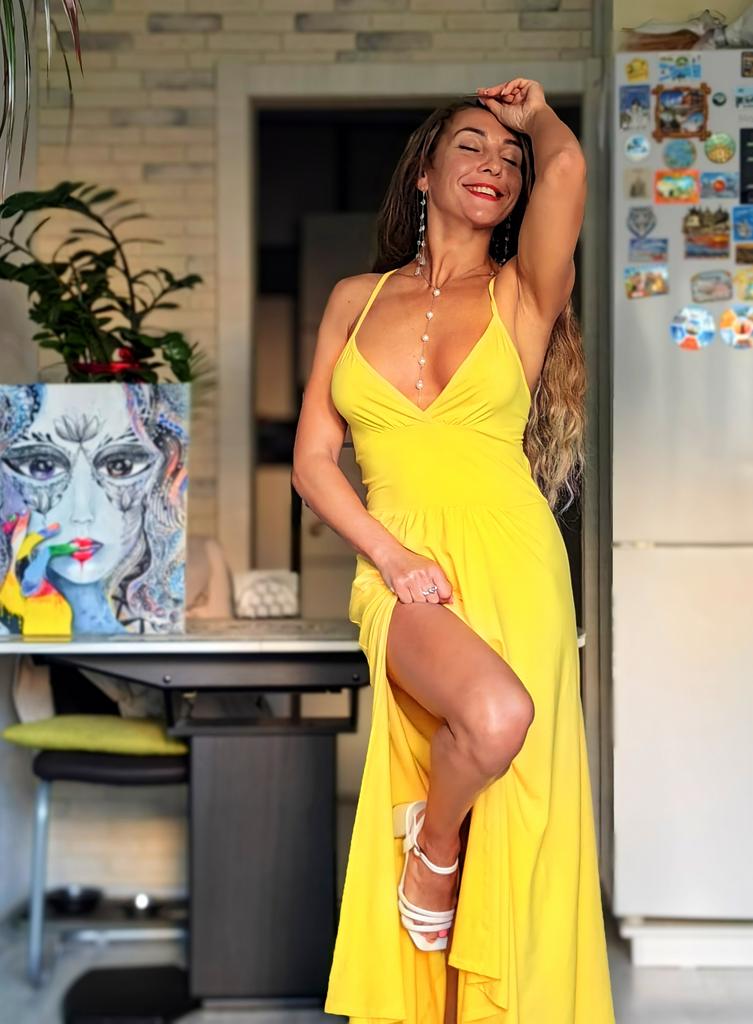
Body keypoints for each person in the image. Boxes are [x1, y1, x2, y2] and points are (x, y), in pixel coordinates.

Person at [292, 79, 615, 1024]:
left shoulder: (521, 295)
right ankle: (432, 854)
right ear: (424, 175)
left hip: (514, 562)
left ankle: (433, 857)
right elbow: (313, 463)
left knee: (512, 798)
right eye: (471, 146)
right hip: (397, 568)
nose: (496, 165)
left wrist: (535, 115)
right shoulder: (353, 301)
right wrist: (388, 558)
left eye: (508, 159)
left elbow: (566, 164)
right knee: (489, 715)